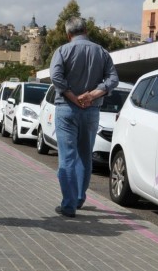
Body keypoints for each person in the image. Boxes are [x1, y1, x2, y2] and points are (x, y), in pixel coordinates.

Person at [49, 16, 118, 217]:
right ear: (86, 30)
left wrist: (71, 95)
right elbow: (113, 78)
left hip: (67, 108)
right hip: (91, 110)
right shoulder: (102, 52)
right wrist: (95, 93)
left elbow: (56, 76)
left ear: (68, 34)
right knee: (85, 155)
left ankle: (69, 204)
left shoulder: (62, 50)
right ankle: (79, 198)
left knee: (67, 157)